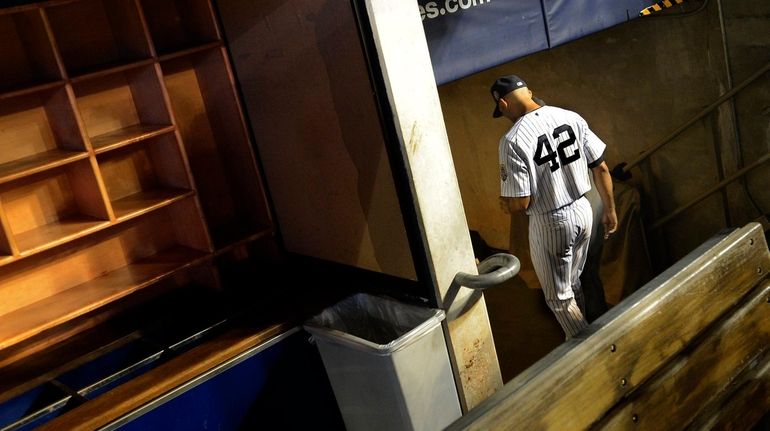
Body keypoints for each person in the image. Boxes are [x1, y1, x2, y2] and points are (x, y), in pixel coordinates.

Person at [492, 74, 618, 339]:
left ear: (503, 104)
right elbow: (602, 167)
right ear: (529, 91)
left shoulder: (512, 140)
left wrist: (507, 204)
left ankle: (588, 351)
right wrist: (610, 209)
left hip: (551, 222)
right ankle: (580, 333)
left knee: (559, 300)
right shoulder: (571, 117)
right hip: (584, 211)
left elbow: (520, 203)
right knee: (572, 284)